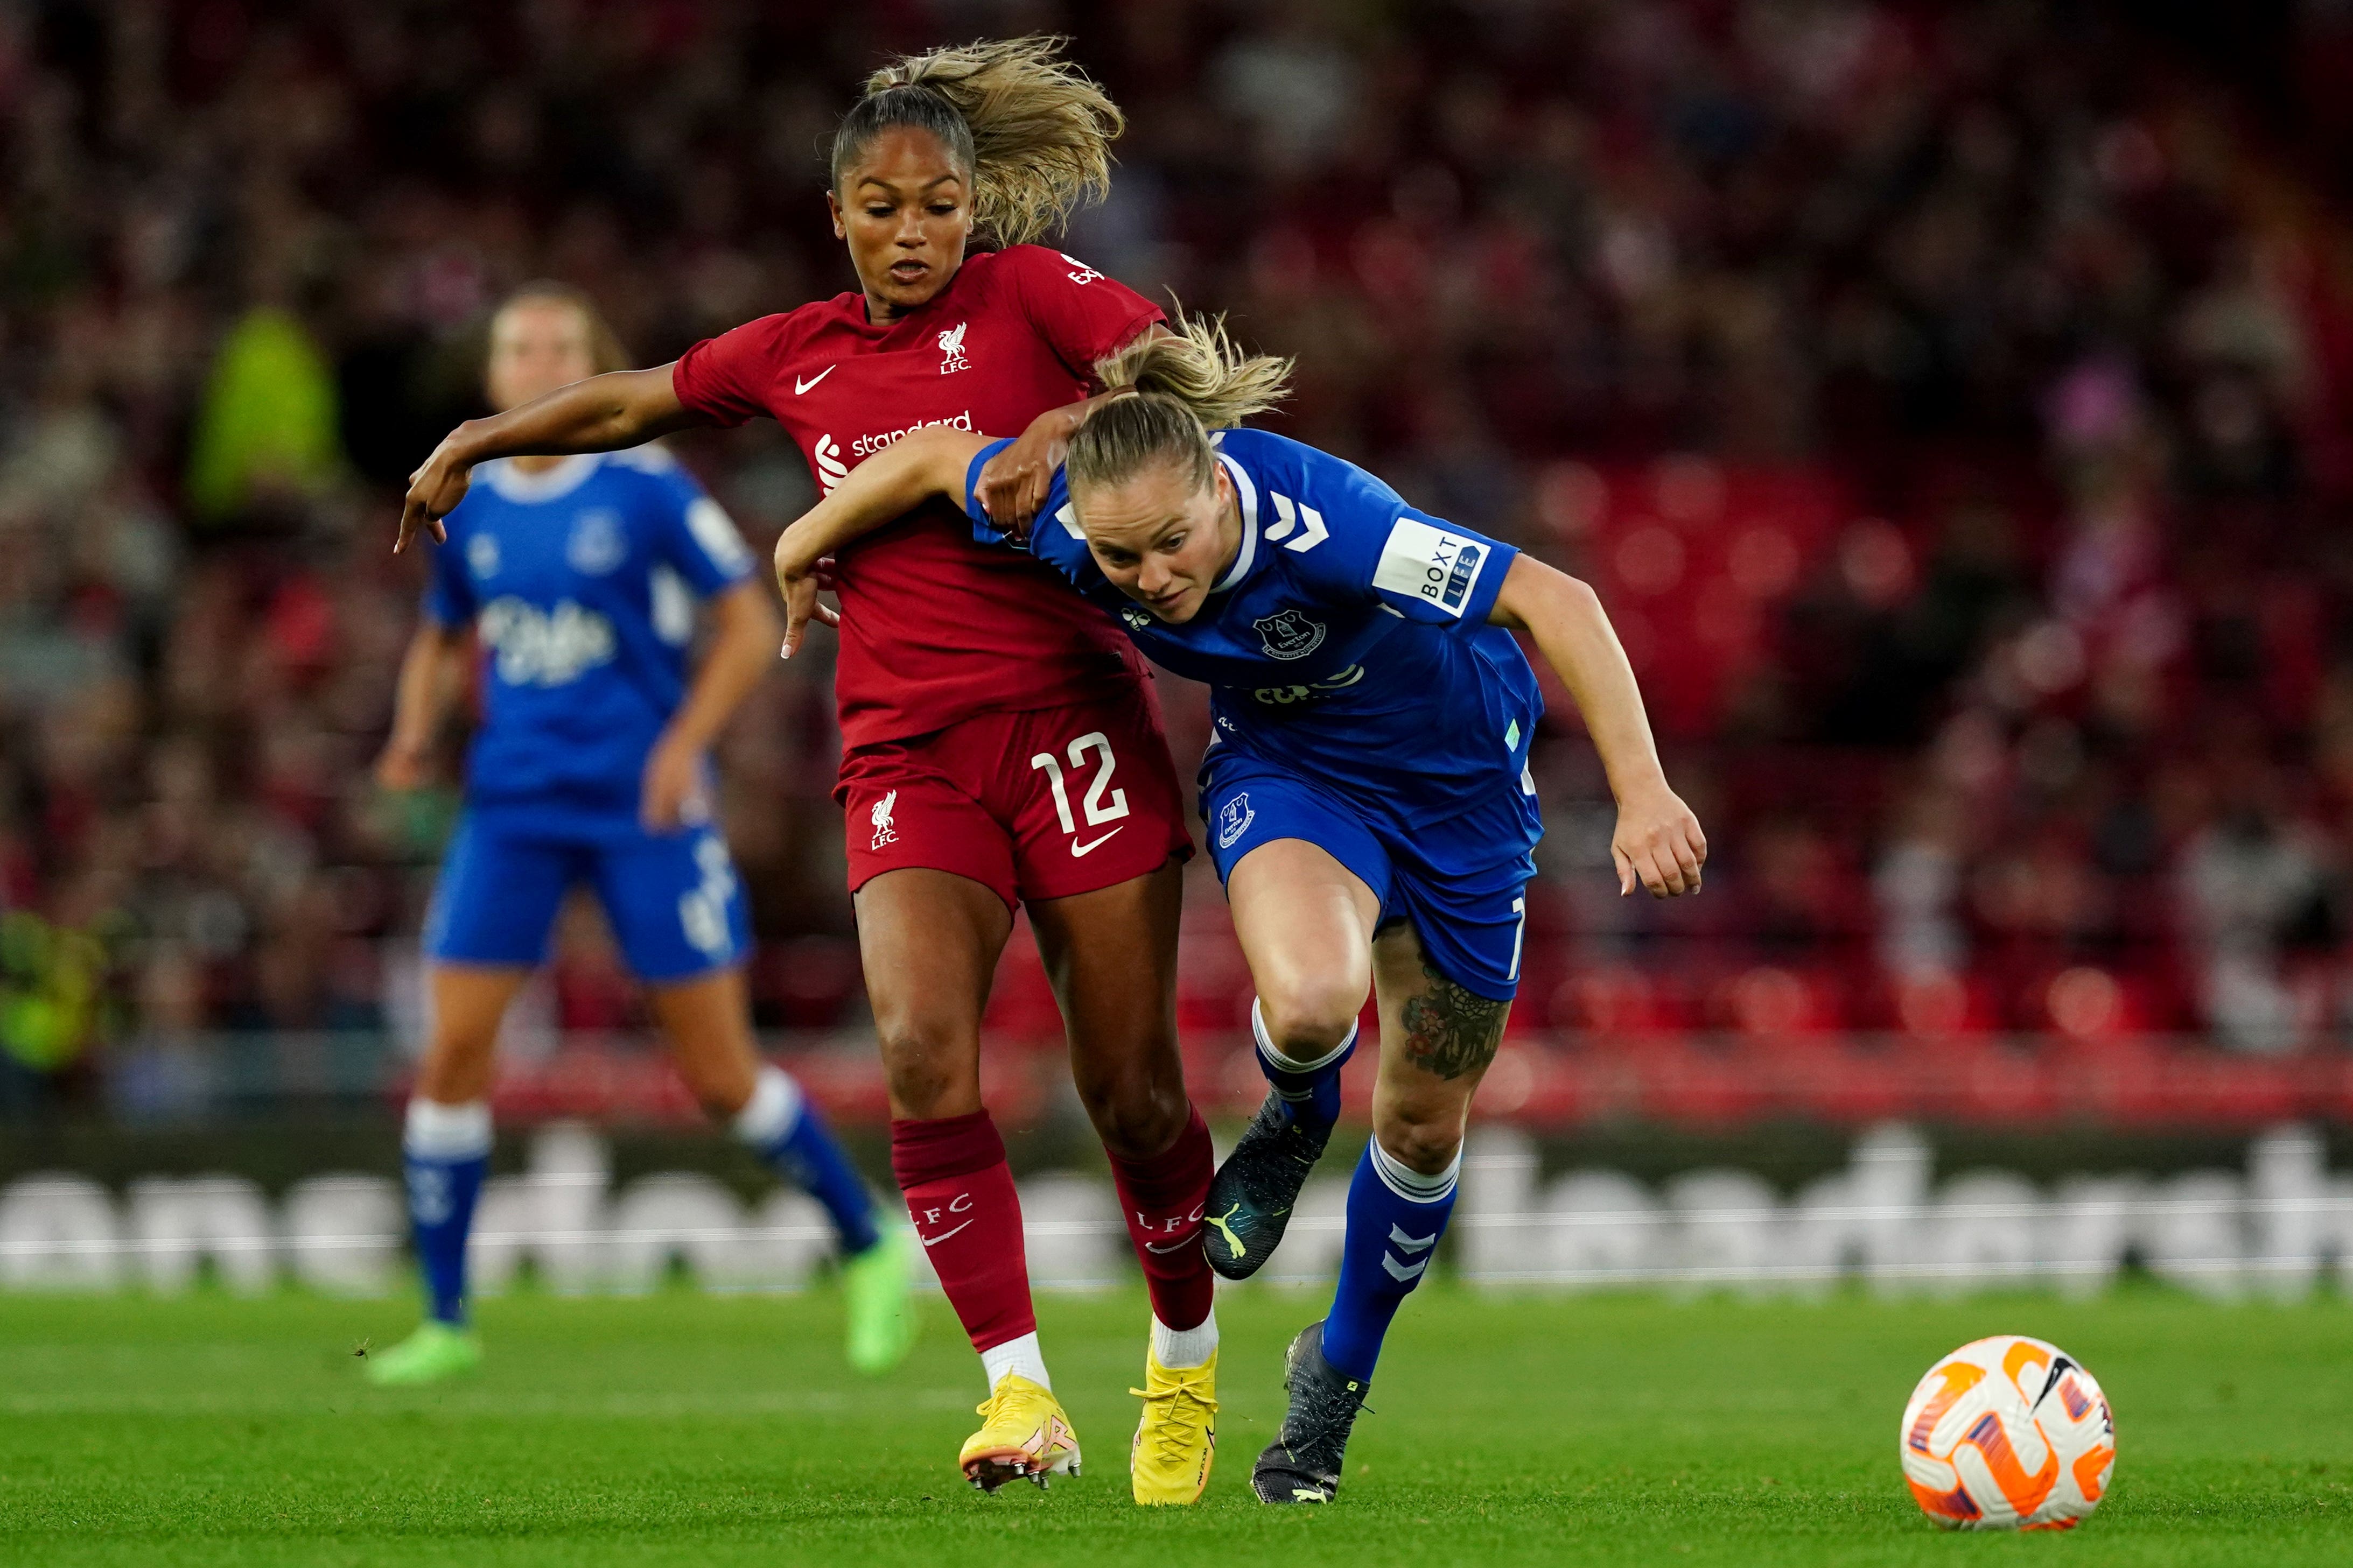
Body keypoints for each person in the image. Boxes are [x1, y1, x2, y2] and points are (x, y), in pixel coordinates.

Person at [395, 39, 1222, 1503]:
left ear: (977, 208)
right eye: (885, 207)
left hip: (1074, 722)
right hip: (904, 741)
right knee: (914, 1047)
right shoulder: (795, 352)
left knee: (1136, 1095)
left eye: (943, 206)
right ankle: (1018, 1392)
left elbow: (1165, 374)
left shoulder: (1031, 294)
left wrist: (1054, 423)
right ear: (834, 210)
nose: (916, 233)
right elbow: (626, 400)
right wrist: (485, 434)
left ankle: (1181, 1359)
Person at [768, 317, 1709, 1506]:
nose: (1154, 577)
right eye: (1124, 562)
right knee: (1313, 1000)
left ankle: (1334, 1378)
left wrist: (1641, 791)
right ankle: (1294, 1106)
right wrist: (805, 535)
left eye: (1173, 542)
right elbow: (919, 460)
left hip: (1468, 808)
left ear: (1219, 484)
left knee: (1423, 1123)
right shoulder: (1064, 516)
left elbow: (1556, 597)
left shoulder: (1334, 527)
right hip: (1292, 775)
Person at [368, 283, 913, 1387]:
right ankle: (444, 1316)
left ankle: (869, 1242)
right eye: (518, 346)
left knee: (718, 1075)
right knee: (453, 1050)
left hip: (641, 804)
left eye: (561, 346)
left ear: (594, 361)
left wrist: (682, 745)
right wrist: (412, 732)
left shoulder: (645, 485)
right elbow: (441, 631)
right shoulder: (466, 500)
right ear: (491, 375)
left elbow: (749, 617)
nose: (536, 363)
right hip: (513, 802)